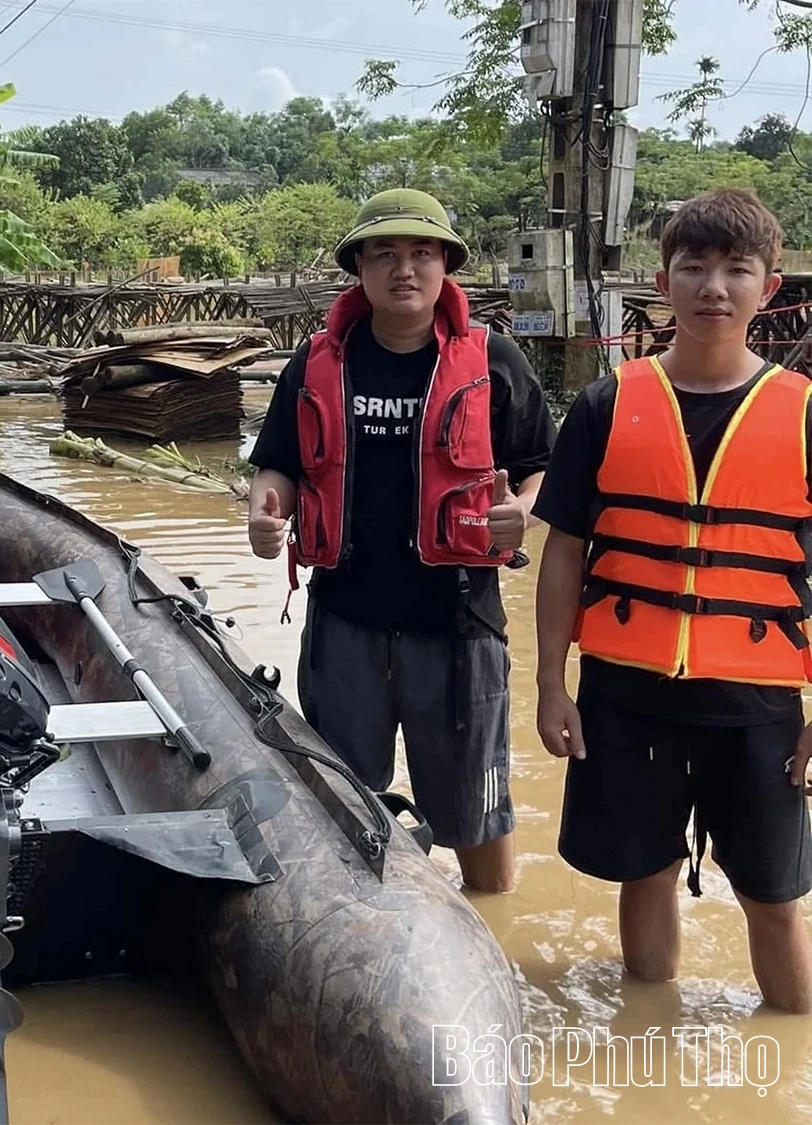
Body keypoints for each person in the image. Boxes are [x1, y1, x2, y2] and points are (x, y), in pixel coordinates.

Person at [533, 187, 812, 1013]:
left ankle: (792, 1048)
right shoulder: (606, 403)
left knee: (773, 895)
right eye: (693, 267)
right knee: (645, 873)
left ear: (769, 287)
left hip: (757, 700)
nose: (713, 287)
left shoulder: (803, 414)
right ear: (663, 282)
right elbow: (564, 552)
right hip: (627, 692)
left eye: (736, 269)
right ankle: (646, 1038)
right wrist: (550, 683)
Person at [246, 188, 555, 894]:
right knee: (342, 810)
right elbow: (278, 465)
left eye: (421, 253)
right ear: (359, 268)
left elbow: (544, 467)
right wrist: (267, 513)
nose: (404, 269)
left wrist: (524, 511)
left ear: (447, 265)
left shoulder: (494, 360)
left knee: (476, 815)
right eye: (384, 254)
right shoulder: (316, 362)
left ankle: (490, 927)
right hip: (344, 624)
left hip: (458, 625)